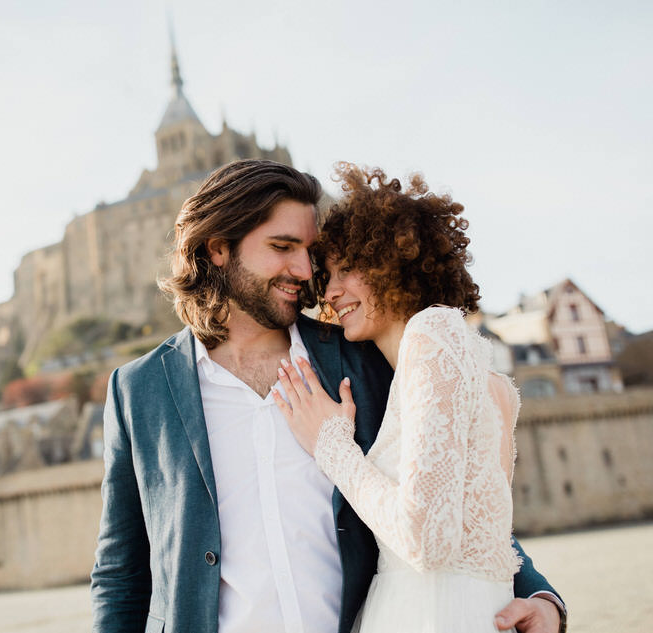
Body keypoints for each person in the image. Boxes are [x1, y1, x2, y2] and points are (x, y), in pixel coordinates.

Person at [90, 159, 565, 633]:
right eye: (282, 247)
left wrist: (542, 599)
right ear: (218, 248)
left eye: (309, 252)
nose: (303, 270)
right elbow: (121, 573)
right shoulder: (139, 390)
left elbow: (452, 493)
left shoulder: (363, 360)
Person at [274, 163, 563, 632]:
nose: (330, 291)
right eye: (327, 274)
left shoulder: (431, 335)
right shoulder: (485, 381)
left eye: (349, 269)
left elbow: (427, 541)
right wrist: (547, 602)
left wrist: (332, 446)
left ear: (394, 263)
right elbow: (488, 542)